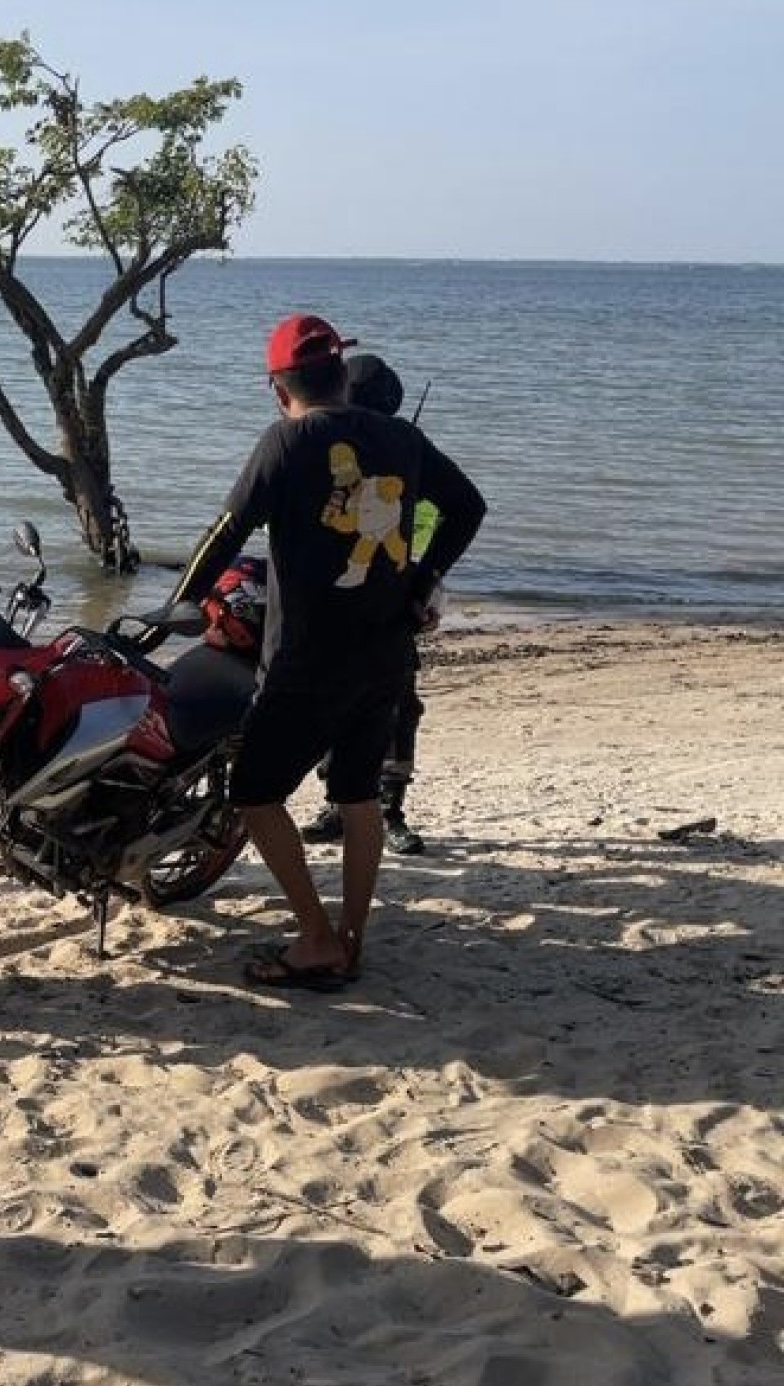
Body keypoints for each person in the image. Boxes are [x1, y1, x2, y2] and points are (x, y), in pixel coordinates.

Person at [164, 313, 486, 991]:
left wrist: (177, 604)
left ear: (278, 390)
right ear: (342, 375)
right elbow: (469, 507)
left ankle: (314, 938)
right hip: (386, 654)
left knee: (255, 793)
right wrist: (423, 578)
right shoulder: (402, 436)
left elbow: (224, 532)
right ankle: (352, 939)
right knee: (358, 795)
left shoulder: (285, 442)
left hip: (307, 658)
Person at [303, 352, 440, 855]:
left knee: (399, 708)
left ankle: (390, 809)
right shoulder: (326, 451)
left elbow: (439, 520)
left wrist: (425, 586)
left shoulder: (408, 453)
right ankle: (337, 804)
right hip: (333, 608)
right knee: (329, 707)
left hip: (390, 607)